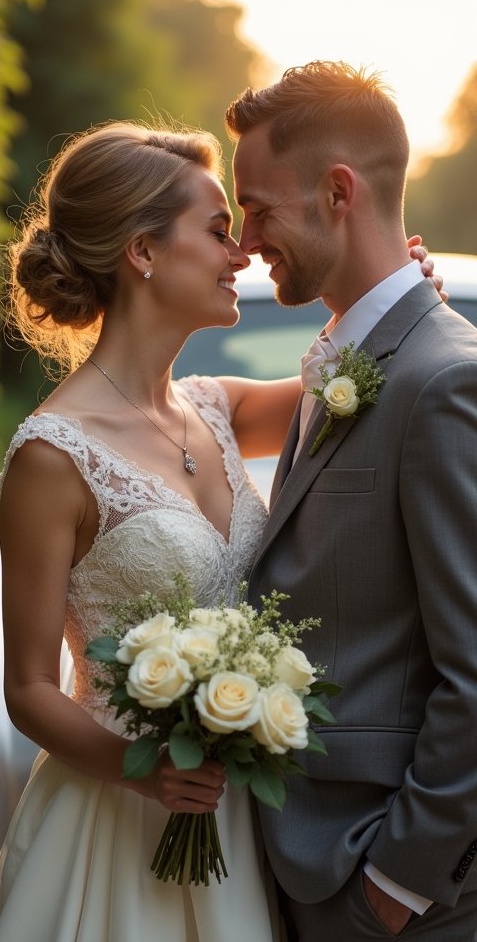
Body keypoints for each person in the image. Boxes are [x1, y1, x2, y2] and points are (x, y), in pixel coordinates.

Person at [0, 119, 439, 942]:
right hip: (116, 821)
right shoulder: (52, 456)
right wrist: (148, 777)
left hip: (240, 821)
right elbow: (30, 688)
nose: (242, 254)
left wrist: (398, 289)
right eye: (219, 231)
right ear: (143, 253)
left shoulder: (215, 406)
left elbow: (351, 377)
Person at [230, 61, 477, 941]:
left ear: (338, 191)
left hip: (393, 896)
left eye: (258, 207)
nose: (247, 237)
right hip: (295, 867)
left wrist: (397, 884)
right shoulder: (337, 357)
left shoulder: (446, 379)